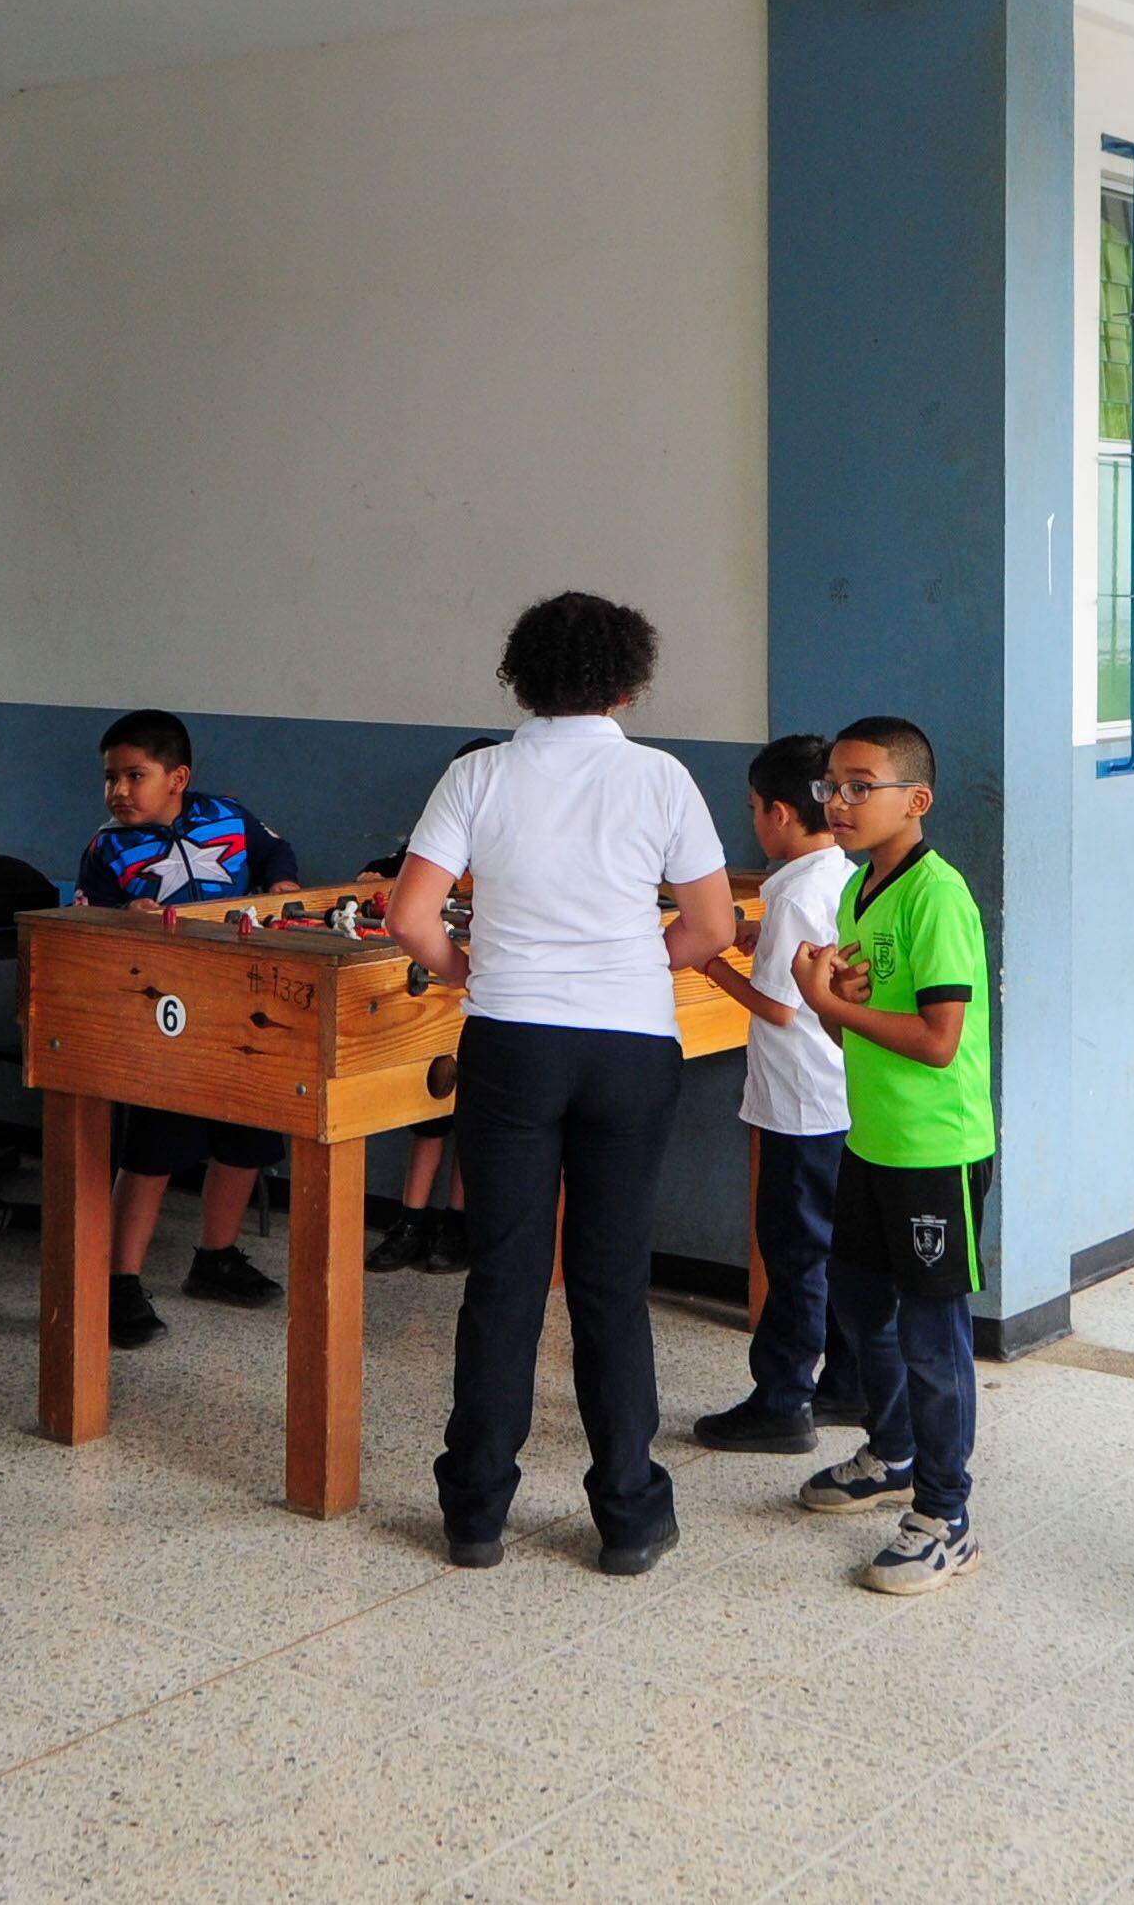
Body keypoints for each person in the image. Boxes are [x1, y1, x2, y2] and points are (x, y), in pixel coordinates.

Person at [390, 593, 735, 1576]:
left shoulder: (478, 775)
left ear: (519, 679)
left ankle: (475, 1513)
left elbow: (409, 914)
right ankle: (626, 1511)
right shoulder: (659, 777)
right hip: (629, 1046)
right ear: (629, 683)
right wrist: (632, 957)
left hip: (511, 1042)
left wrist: (467, 969)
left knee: (503, 1276)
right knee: (611, 1282)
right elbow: (712, 928)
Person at [787, 717, 995, 1597]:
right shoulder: (856, 890)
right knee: (863, 1309)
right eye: (830, 785)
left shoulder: (934, 895)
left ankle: (945, 1515)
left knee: (930, 1336)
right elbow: (853, 1040)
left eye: (858, 785)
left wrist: (820, 998)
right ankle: (896, 1452)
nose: (838, 801)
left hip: (932, 1150)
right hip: (869, 1139)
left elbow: (938, 1042)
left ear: (915, 799)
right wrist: (827, 1002)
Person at [76, 709, 302, 1346]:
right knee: (152, 1150)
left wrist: (281, 882)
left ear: (178, 777)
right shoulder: (107, 848)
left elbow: (273, 850)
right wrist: (127, 916)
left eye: (134, 775)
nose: (118, 791)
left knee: (246, 1140)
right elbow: (86, 922)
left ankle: (216, 1257)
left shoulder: (226, 816)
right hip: (161, 1019)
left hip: (238, 1010)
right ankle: (119, 1282)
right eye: (110, 778)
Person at [690, 734, 863, 1453]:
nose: (754, 820)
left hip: (798, 1103)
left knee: (792, 1254)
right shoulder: (841, 874)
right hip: (843, 1097)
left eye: (756, 808)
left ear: (782, 814)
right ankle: (846, 1385)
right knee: (837, 1250)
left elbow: (780, 1005)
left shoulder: (793, 890)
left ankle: (781, 1399)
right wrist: (755, 934)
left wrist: (709, 963)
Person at [362, 737, 502, 1277]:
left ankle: (456, 1221)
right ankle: (411, 1220)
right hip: (435, 989)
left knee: (472, 1113)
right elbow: (397, 877)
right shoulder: (436, 840)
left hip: (488, 997)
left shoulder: (512, 845)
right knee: (430, 1116)